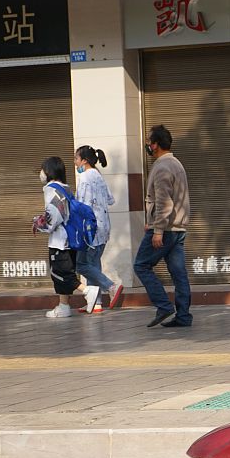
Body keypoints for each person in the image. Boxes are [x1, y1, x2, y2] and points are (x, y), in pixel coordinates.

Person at [133, 124, 192, 329]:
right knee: (179, 274)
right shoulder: (176, 163)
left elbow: (164, 202)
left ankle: (163, 305)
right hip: (178, 228)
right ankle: (183, 316)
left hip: (165, 229)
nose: (148, 145)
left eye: (149, 142)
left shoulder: (162, 167)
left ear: (156, 145)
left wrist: (157, 230)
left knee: (140, 265)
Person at [73, 145, 123, 312]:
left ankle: (111, 286)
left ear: (84, 161)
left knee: (81, 265)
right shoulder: (98, 176)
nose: (75, 163)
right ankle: (96, 302)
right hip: (103, 227)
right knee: (93, 263)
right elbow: (110, 199)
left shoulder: (85, 178)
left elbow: (82, 206)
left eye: (76, 159)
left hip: (90, 229)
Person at [31, 157, 78, 319]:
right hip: (71, 240)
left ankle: (88, 291)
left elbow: (53, 217)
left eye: (43, 169)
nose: (41, 173)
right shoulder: (66, 188)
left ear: (49, 171)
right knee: (63, 276)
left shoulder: (52, 189)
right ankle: (63, 306)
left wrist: (39, 223)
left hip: (60, 242)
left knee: (61, 274)